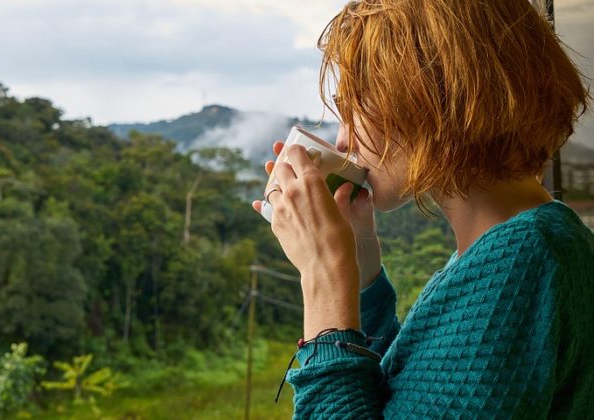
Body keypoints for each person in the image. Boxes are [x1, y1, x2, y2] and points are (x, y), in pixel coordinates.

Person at [250, 0, 594, 418]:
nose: (342, 141)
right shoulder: (517, 247)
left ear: (427, 95)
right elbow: (411, 396)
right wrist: (362, 274)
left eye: (353, 108)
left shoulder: (521, 262)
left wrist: (324, 277)